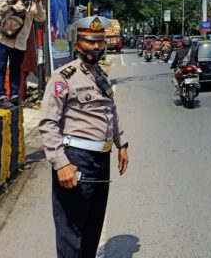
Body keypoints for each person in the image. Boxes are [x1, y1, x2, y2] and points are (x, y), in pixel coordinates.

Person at [39, 15, 129, 258]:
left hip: (101, 160)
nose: (97, 46)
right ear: (77, 45)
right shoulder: (63, 77)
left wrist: (122, 144)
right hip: (75, 159)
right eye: (90, 41)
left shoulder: (100, 76)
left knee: (92, 227)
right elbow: (48, 123)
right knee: (72, 230)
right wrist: (61, 164)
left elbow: (110, 111)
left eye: (100, 41)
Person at [0, 0, 45, 105]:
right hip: (1, 39)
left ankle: (14, 96)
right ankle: (2, 97)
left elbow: (41, 18)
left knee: (16, 69)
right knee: (1, 67)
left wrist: (38, 2)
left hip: (20, 42)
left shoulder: (32, 5)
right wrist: (12, 0)